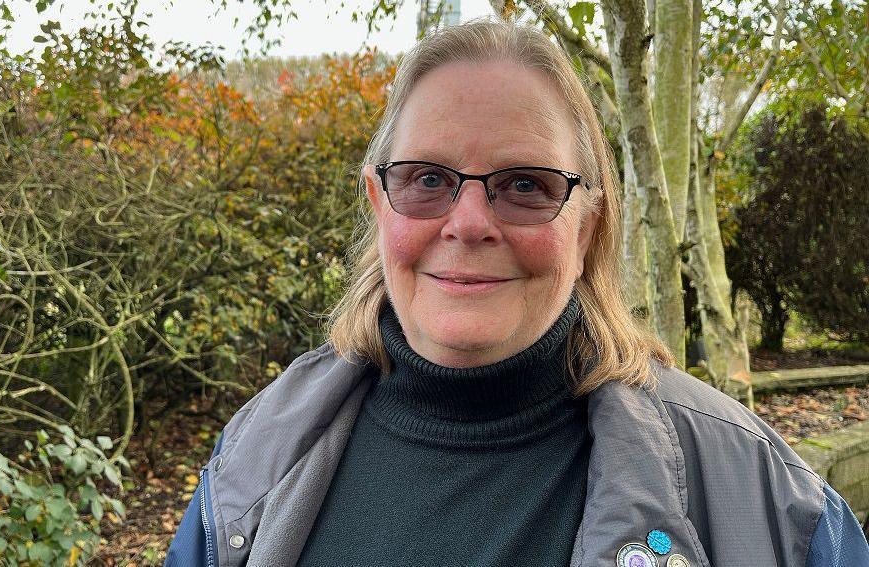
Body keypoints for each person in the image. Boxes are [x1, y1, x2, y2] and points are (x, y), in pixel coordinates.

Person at [166, 19, 869, 567]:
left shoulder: (763, 497)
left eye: (526, 186)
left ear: (588, 224)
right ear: (380, 202)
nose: (469, 223)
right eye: (427, 179)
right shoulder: (254, 460)